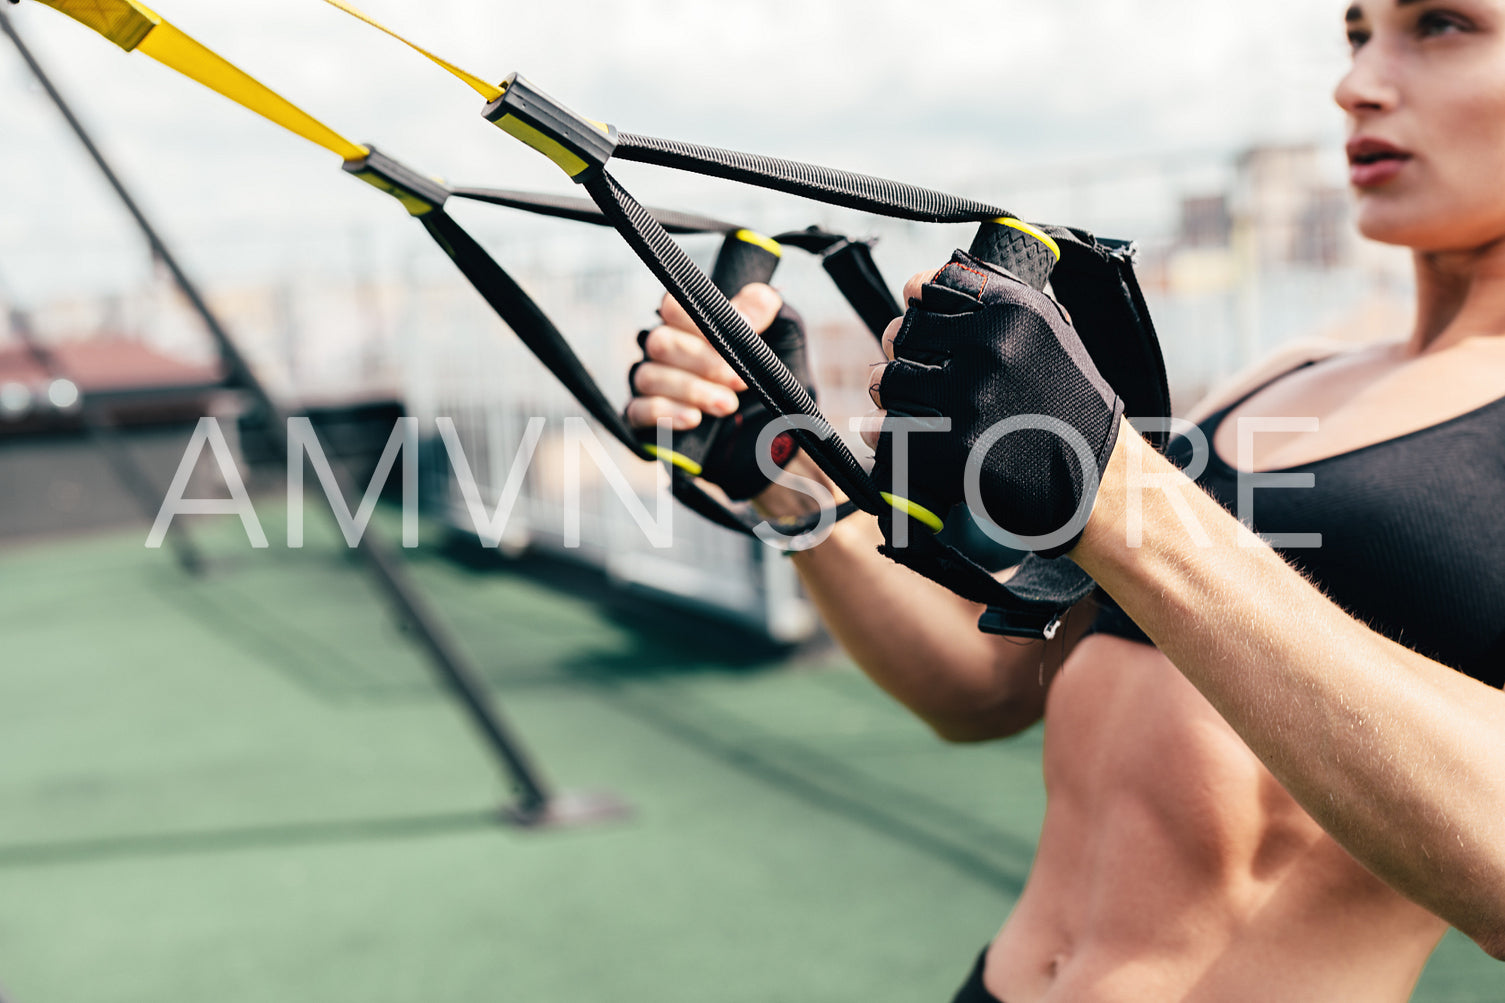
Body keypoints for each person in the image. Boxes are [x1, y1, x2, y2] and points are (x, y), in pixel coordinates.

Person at [626, 0, 1505, 999]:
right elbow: (984, 687)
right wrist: (786, 484)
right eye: (1353, 35)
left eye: (1439, 24)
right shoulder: (1280, 375)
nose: (1356, 83)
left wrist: (1114, 488)